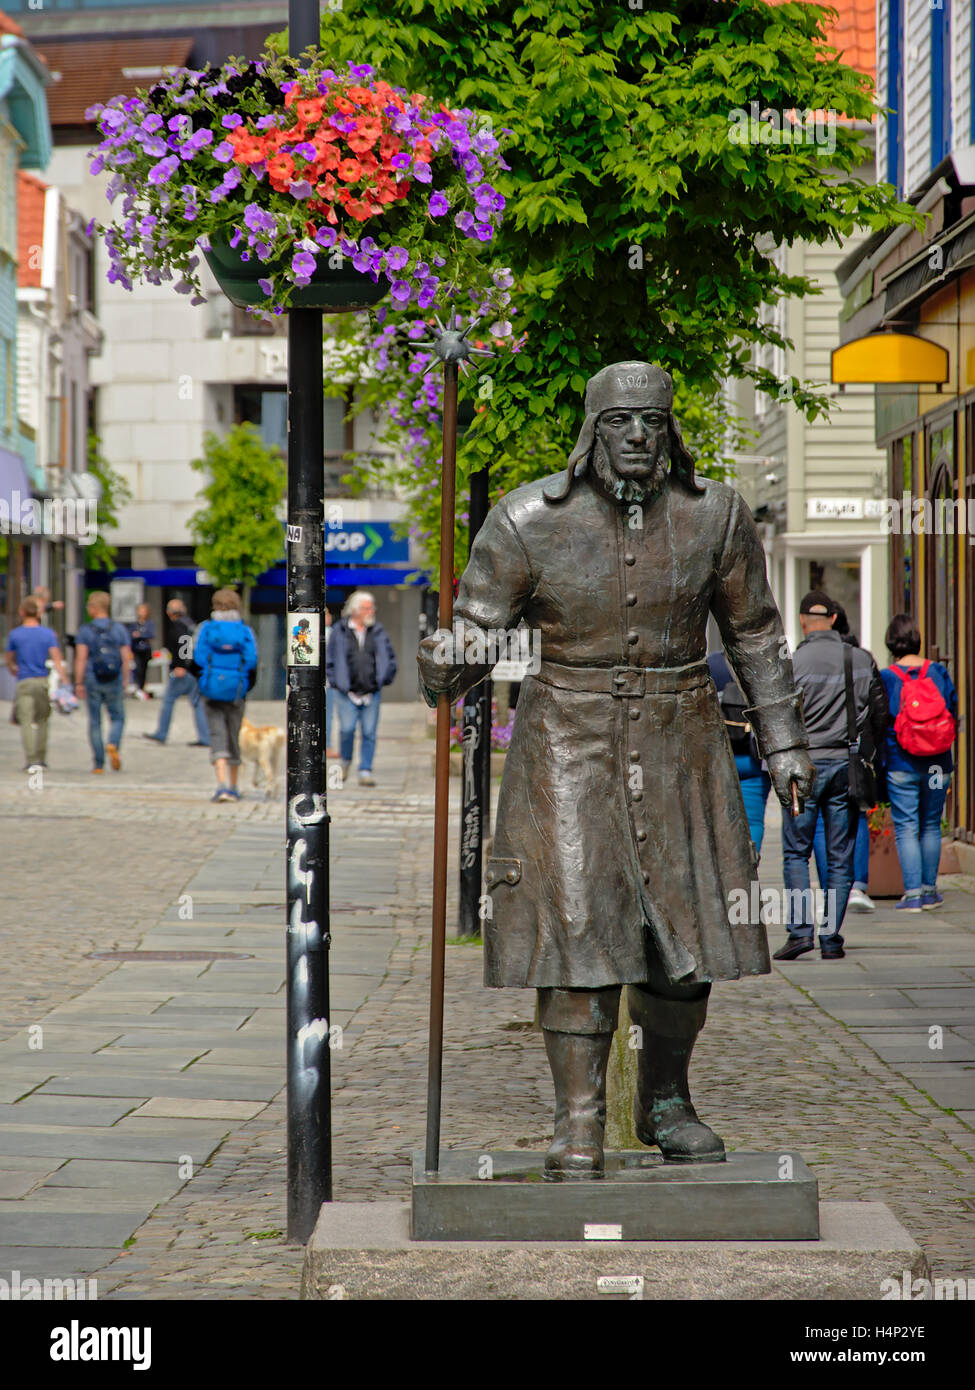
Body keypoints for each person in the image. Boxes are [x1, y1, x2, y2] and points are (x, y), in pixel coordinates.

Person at [419, 361, 814, 1176]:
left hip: (683, 740)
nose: (637, 436)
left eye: (653, 422)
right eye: (618, 423)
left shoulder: (718, 515)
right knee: (578, 935)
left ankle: (665, 1101)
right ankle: (577, 1121)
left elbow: (755, 636)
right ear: (588, 433)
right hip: (567, 741)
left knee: (686, 944)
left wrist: (783, 743)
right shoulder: (528, 518)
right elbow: (476, 627)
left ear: (672, 431)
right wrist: (444, 657)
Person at [774, 591, 888, 962]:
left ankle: (799, 932)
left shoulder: (792, 662)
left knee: (795, 852)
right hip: (845, 765)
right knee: (840, 856)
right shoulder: (859, 659)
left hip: (803, 768)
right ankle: (830, 936)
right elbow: (879, 715)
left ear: (804, 620)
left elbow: (778, 719)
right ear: (835, 620)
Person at [879, 614, 958, 912]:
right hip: (938, 764)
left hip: (902, 764)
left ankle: (912, 895)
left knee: (907, 827)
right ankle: (930, 892)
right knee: (931, 825)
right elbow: (952, 708)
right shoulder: (938, 671)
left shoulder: (887, 677)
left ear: (891, 641)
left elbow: (880, 718)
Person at [812, 602, 875, 913]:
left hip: (814, 753)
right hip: (850, 754)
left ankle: (829, 892)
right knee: (855, 817)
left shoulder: (803, 657)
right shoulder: (859, 658)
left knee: (820, 830)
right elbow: (879, 707)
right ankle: (855, 888)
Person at [326, 590, 398, 787]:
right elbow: (330, 660)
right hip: (346, 692)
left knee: (369, 732)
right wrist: (336, 681)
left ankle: (365, 770)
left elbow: (390, 658)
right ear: (355, 610)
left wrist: (384, 678)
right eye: (367, 608)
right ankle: (345, 762)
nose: (371, 611)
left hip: (371, 692)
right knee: (347, 729)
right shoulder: (339, 631)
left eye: (371, 608)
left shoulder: (378, 631)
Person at [194, 588, 258, 802]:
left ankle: (220, 786)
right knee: (233, 734)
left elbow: (198, 658)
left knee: (216, 735)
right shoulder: (245, 631)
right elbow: (252, 660)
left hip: (211, 688)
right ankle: (233, 786)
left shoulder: (206, 629)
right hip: (236, 690)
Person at [708, 648, 771, 858]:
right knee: (753, 821)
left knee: (720, 820)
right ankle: (750, 866)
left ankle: (727, 867)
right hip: (754, 758)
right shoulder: (762, 664)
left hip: (722, 758)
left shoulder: (713, 664)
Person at [4, 596, 69, 771]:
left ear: (22, 612)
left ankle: (31, 759)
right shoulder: (47, 634)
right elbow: (56, 658)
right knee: (42, 720)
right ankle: (41, 758)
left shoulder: (15, 634)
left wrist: (12, 667)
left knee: (26, 721)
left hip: (23, 680)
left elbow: (8, 658)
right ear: (39, 613)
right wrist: (65, 681)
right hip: (42, 681)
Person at [74, 591, 132, 774]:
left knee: (95, 721)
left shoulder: (85, 630)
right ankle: (113, 743)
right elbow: (125, 657)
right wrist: (126, 679)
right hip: (113, 678)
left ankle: (98, 764)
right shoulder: (119, 629)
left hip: (93, 678)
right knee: (118, 717)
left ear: (94, 608)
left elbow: (81, 658)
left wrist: (78, 683)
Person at [143, 599, 210, 747]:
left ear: (169, 612)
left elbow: (184, 643)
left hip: (183, 671)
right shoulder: (191, 624)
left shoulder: (179, 626)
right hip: (196, 670)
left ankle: (161, 733)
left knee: (168, 700)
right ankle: (205, 737)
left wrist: (181, 665)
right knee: (197, 703)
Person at [126, 603, 155, 699]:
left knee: (144, 669)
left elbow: (150, 635)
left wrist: (140, 635)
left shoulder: (149, 623)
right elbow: (131, 635)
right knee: (137, 668)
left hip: (145, 650)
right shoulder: (134, 624)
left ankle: (142, 688)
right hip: (136, 649)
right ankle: (138, 688)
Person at [324, 607, 339, 759]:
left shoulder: (333, 632)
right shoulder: (331, 634)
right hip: (327, 682)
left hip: (330, 682)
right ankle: (326, 746)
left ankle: (327, 745)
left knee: (329, 716)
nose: (329, 616)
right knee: (327, 715)